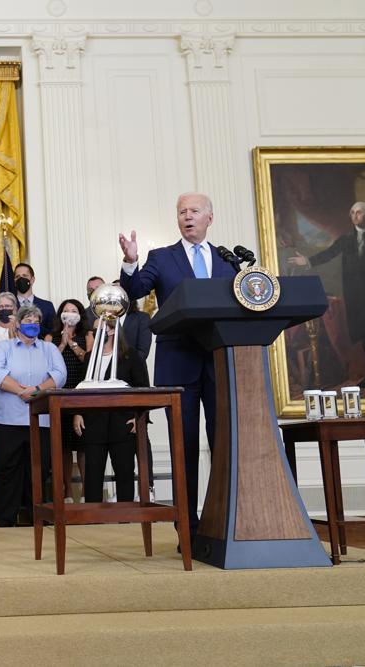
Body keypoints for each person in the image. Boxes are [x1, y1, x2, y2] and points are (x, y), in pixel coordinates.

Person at [117, 191, 237, 540]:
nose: (187, 216)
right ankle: (188, 524)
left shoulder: (227, 261)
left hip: (218, 361)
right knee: (183, 443)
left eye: (194, 211)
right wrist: (130, 261)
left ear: (209, 218)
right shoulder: (161, 258)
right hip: (177, 362)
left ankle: (223, 518)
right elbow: (135, 289)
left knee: (222, 440)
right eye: (182, 211)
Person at [288, 201, 365, 390]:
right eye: (352, 212)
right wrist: (307, 261)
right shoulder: (346, 240)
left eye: (359, 212)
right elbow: (329, 253)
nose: (355, 216)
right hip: (358, 297)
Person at [0, 304, 67, 527]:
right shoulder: (4, 347)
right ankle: (5, 521)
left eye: (36, 321)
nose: (33, 324)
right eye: (28, 320)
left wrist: (37, 390)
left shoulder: (49, 349)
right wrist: (22, 390)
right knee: (7, 472)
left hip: (40, 421)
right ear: (18, 324)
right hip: (7, 421)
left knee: (38, 472)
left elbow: (60, 375)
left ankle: (38, 519)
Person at [73, 318, 149, 503]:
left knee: (124, 475)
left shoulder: (131, 356)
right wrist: (77, 413)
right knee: (92, 477)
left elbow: (144, 390)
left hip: (122, 425)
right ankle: (92, 524)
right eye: (93, 330)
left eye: (99, 328)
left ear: (113, 331)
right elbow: (83, 388)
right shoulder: (91, 358)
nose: (94, 333)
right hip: (93, 426)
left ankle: (125, 523)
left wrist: (140, 418)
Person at [45, 298, 94, 502]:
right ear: (60, 315)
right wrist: (63, 342)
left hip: (81, 393)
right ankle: (66, 492)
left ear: (80, 315)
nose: (70, 313)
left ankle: (85, 492)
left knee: (83, 447)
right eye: (66, 310)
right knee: (63, 447)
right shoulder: (50, 337)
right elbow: (46, 362)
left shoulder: (88, 335)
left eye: (74, 310)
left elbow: (88, 359)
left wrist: (72, 343)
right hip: (59, 394)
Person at [12, 263, 56, 336]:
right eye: (17, 277)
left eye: (24, 276)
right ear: (14, 281)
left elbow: (54, 332)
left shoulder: (47, 306)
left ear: (32, 280)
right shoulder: (8, 306)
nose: (21, 279)